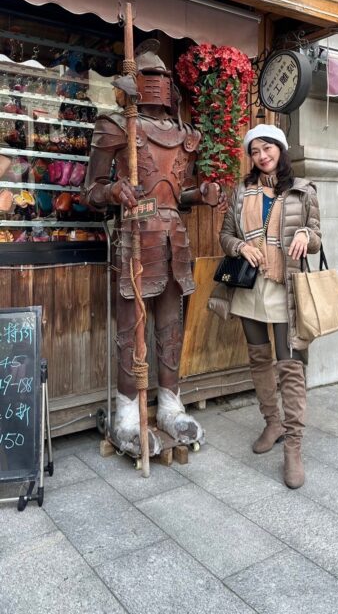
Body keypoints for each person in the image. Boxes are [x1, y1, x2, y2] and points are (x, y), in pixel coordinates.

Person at [84, 40, 226, 457]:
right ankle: (127, 412)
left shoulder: (186, 136)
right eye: (153, 77)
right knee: (131, 327)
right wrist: (113, 189)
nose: (160, 84)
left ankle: (169, 404)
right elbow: (88, 191)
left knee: (170, 324)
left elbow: (174, 194)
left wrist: (201, 194)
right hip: (133, 235)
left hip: (173, 236)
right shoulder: (116, 126)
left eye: (165, 78)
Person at [219, 123, 321, 488]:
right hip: (249, 287)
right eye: (255, 151)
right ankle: (271, 422)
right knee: (259, 357)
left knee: (289, 365)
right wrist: (239, 247)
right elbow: (225, 235)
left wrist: (307, 235)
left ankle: (293, 446)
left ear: (280, 148)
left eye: (268, 148)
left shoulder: (302, 190)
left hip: (284, 289)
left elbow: (316, 237)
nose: (262, 156)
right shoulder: (241, 192)